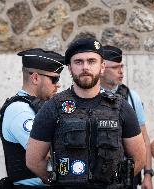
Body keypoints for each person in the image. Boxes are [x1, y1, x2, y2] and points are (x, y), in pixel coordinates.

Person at [26, 38, 146, 189]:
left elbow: (140, 158)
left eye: (91, 61)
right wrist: (59, 181)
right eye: (78, 62)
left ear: (102, 67)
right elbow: (34, 160)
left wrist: (115, 183)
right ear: (69, 68)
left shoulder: (121, 107)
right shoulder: (53, 107)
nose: (85, 67)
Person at [0, 48, 64, 189]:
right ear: (35, 78)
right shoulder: (20, 111)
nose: (58, 84)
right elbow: (43, 157)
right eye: (54, 79)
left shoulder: (39, 107)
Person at [100, 45, 153, 189]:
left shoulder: (131, 96)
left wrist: (148, 174)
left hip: (127, 174)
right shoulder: (88, 95)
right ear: (101, 69)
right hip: (97, 173)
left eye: (121, 66)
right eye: (115, 67)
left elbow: (144, 139)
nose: (121, 71)